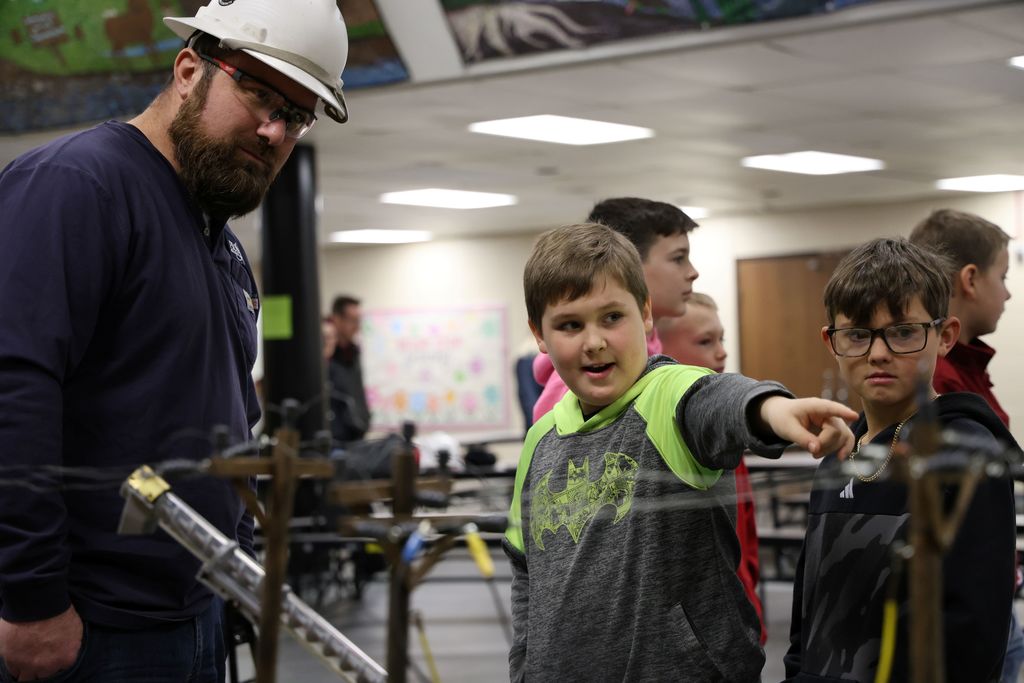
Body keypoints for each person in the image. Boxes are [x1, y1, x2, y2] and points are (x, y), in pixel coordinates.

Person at [0, 1, 349, 680]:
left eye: (298, 114)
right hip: (91, 625)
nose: (276, 129)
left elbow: (227, 420)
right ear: (190, 68)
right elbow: (13, 393)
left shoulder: (221, 246)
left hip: (196, 612)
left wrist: (240, 572)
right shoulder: (76, 187)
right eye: (258, 91)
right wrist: (33, 599)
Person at [506, 222, 857, 682]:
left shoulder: (668, 394)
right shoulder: (542, 439)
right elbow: (524, 571)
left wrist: (772, 410)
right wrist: (525, 670)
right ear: (539, 334)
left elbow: (720, 400)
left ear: (646, 314)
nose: (594, 341)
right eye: (570, 325)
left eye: (612, 317)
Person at [784, 238, 1017, 682]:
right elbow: (808, 609)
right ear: (831, 342)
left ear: (945, 336)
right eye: (857, 334)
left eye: (903, 332)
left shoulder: (965, 457)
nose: (877, 353)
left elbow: (974, 636)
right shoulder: (837, 457)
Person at [908, 208, 1020, 681]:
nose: (1008, 291)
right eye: (1003, 275)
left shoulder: (967, 368)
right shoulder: (943, 383)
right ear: (971, 279)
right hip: (961, 594)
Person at [657, 292, 766, 645]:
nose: (721, 352)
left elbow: (744, 535)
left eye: (721, 339)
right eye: (705, 341)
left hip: (737, 609)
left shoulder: (725, 430)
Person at [531, 197, 699, 422]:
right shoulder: (579, 385)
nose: (693, 272)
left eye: (612, 318)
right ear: (631, 265)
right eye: (678, 258)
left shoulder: (649, 352)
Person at [328, 294, 371, 444]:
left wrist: (364, 419)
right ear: (337, 320)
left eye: (358, 320)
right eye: (352, 320)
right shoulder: (326, 356)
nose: (357, 326)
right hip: (335, 439)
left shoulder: (354, 353)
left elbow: (357, 393)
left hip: (357, 433)